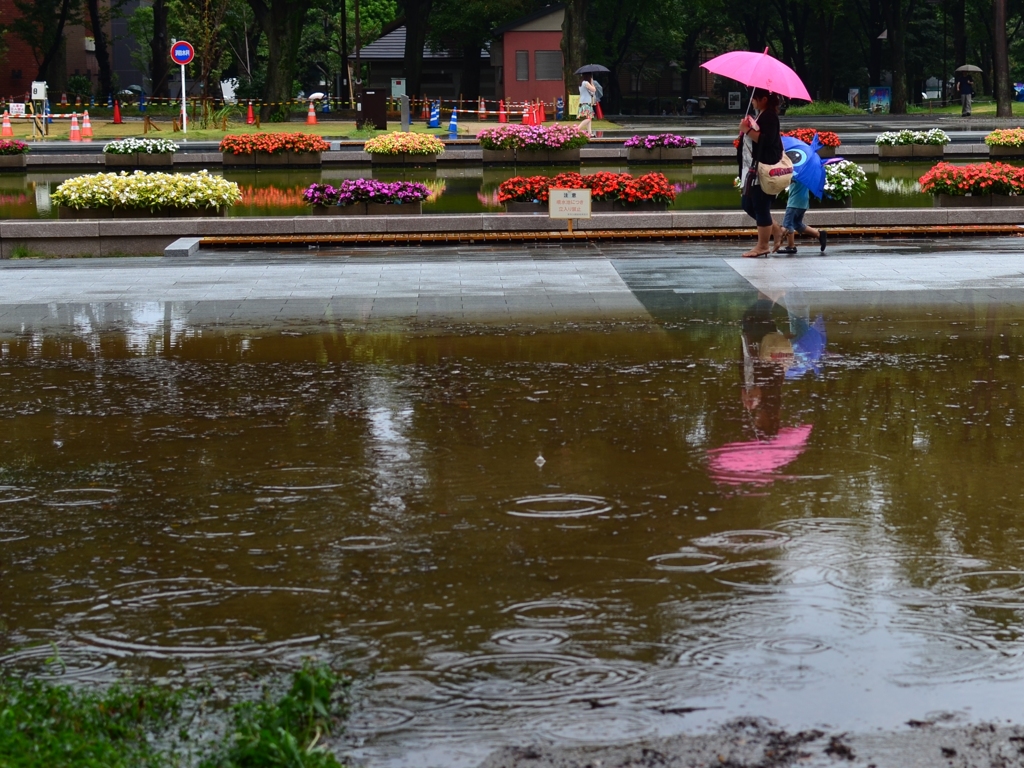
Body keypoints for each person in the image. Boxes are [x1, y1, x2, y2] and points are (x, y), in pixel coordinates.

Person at [738, 88, 784, 258]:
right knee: (747, 204)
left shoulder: (770, 116)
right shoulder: (761, 114)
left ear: (764, 99)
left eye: (755, 98)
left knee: (760, 206)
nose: (752, 101)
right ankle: (776, 229)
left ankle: (763, 245)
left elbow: (767, 140)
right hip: (752, 168)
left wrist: (747, 130)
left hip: (763, 168)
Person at [774, 177, 827, 255]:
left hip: (794, 202)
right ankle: (819, 234)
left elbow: (784, 182)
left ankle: (791, 246)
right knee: (797, 224)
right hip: (803, 202)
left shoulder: (796, 173)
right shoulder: (804, 173)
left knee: (788, 224)